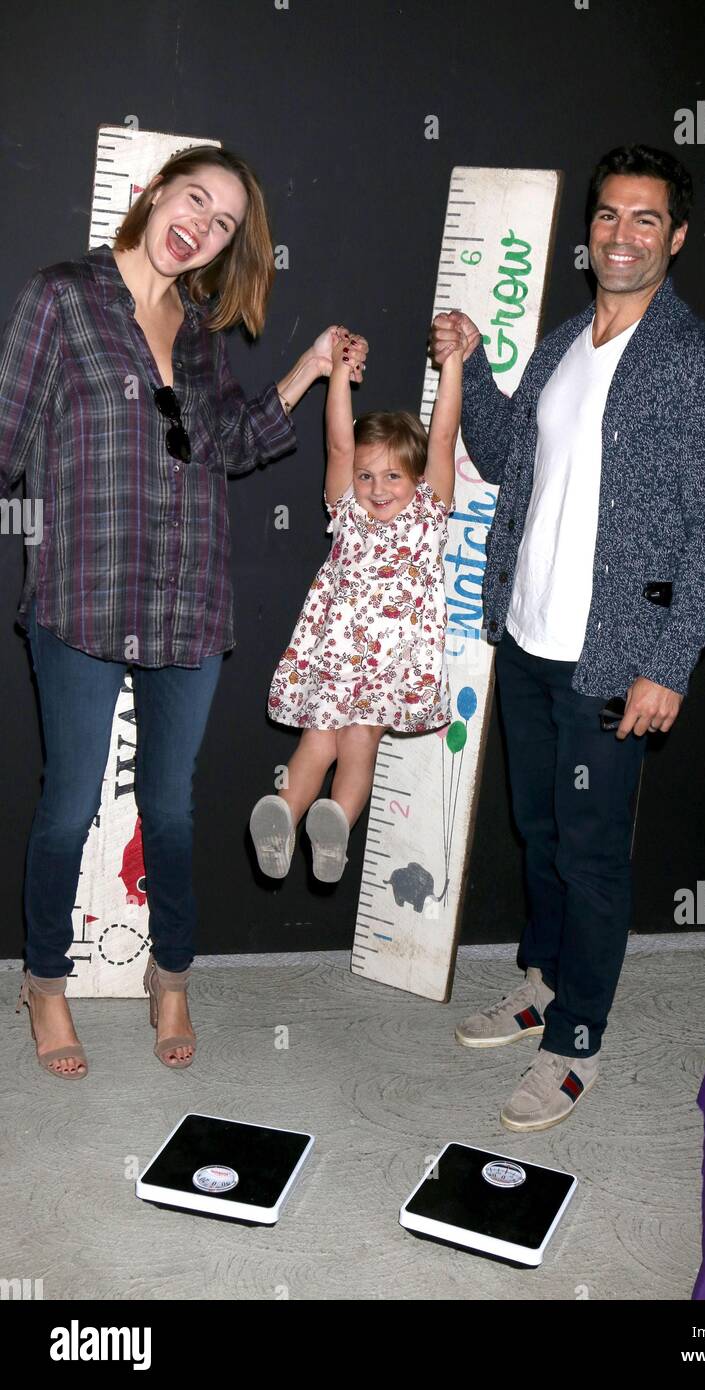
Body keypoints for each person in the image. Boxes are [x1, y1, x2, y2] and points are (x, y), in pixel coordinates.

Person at [0, 144, 343, 1076]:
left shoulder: (198, 332)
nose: (202, 224)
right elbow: (5, 438)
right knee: (68, 806)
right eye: (196, 198)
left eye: (225, 221)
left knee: (174, 809)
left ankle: (173, 974)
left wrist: (309, 369)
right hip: (81, 594)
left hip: (189, 599)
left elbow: (226, 443)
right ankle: (44, 983)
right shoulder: (63, 297)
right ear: (155, 194)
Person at [431, 144, 705, 1133]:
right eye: (607, 216)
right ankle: (541, 979)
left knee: (592, 851)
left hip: (610, 661)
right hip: (525, 642)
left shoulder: (701, 366)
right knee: (537, 831)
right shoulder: (564, 343)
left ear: (677, 236)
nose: (620, 233)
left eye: (644, 218)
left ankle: (575, 1040)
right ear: (588, 235)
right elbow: (498, 454)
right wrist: (471, 359)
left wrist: (669, 661)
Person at [249, 319, 466, 882]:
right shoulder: (348, 509)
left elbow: (443, 436)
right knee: (338, 740)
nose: (376, 487)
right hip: (351, 654)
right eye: (366, 476)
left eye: (394, 475)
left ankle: (315, 820)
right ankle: (300, 817)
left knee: (335, 739)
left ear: (418, 480)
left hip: (370, 657)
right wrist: (339, 374)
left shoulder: (428, 511)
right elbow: (339, 440)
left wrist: (455, 366)